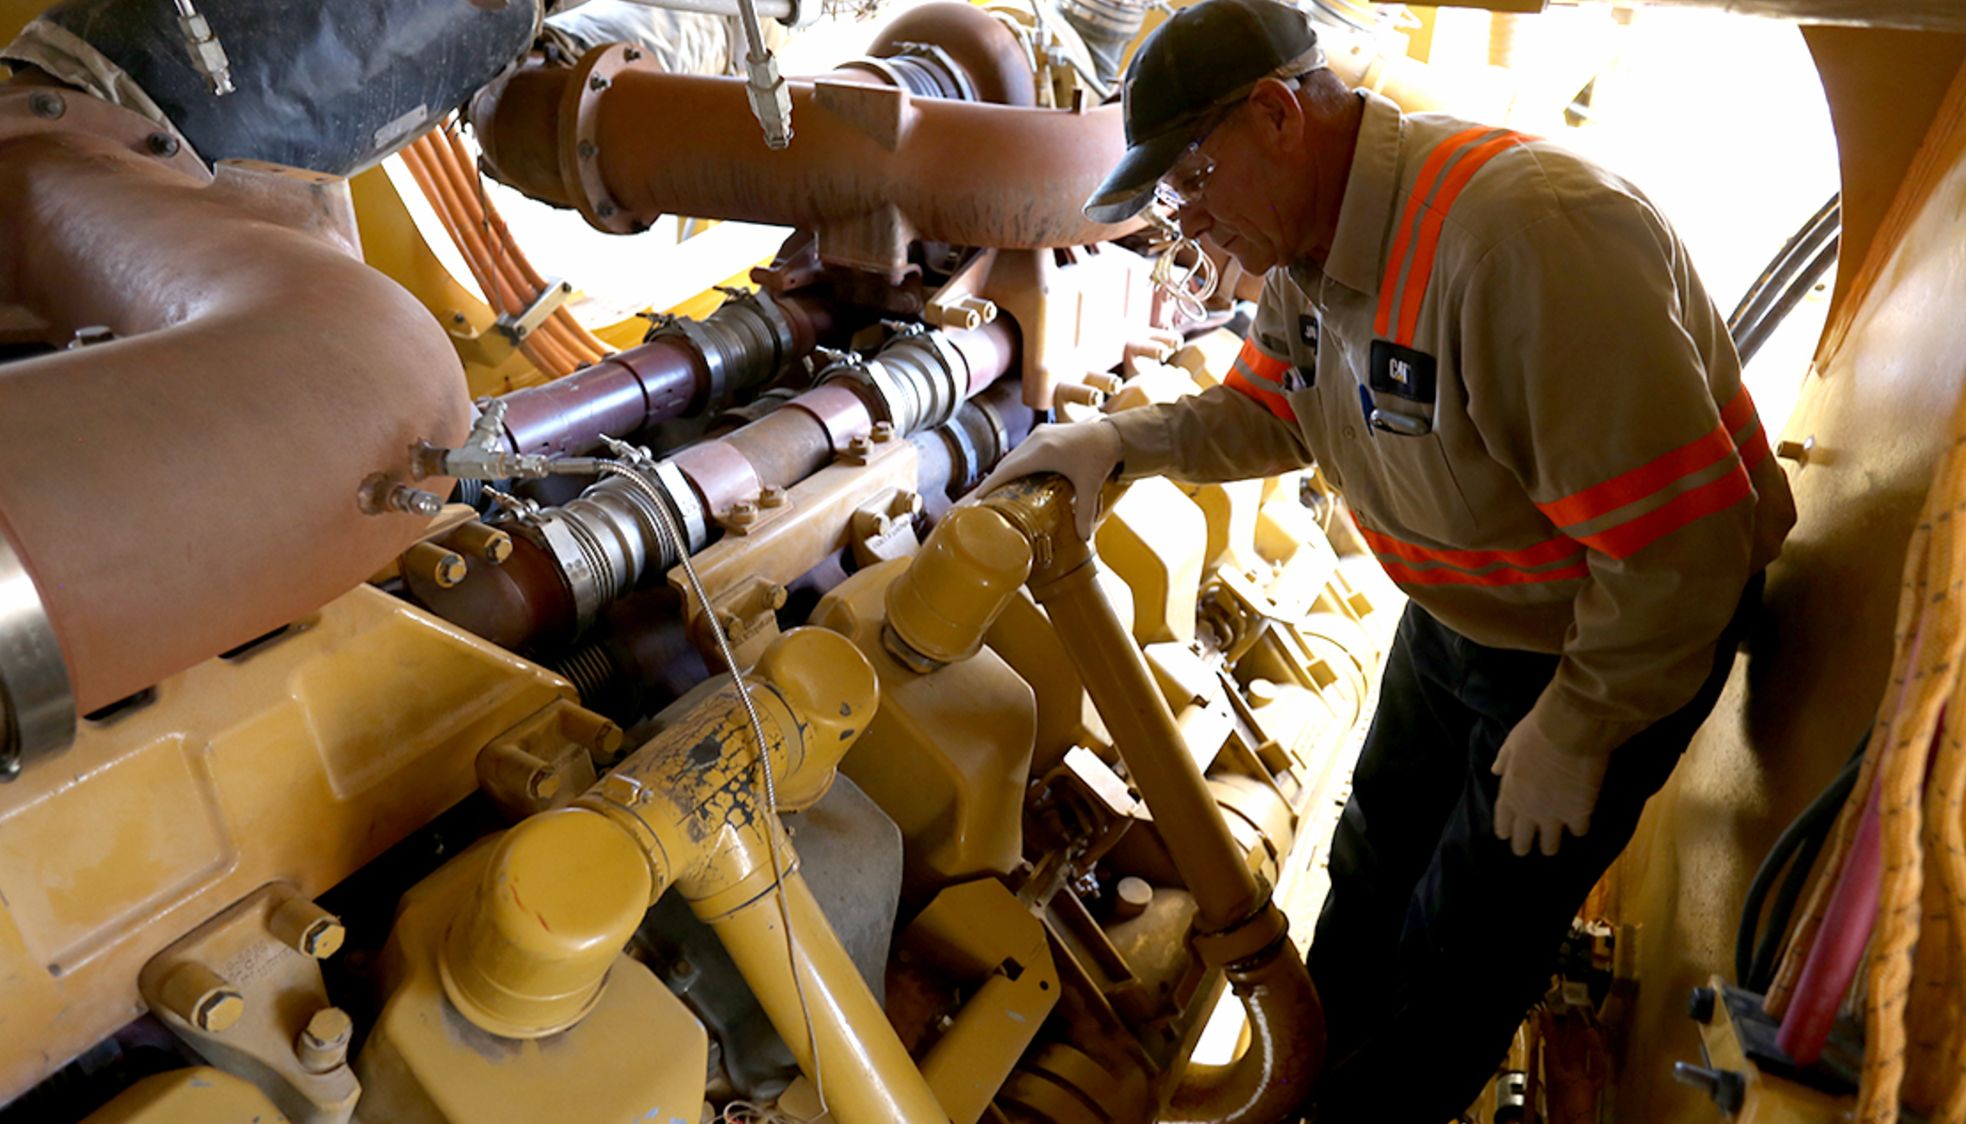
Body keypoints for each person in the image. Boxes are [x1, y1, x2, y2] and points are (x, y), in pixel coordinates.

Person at [978, 0, 1798, 1118]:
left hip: (1596, 646)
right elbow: (1271, 413)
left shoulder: (1522, 239)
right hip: (1459, 618)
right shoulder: (1308, 250)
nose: (1189, 219)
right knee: (1364, 881)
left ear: (1275, 115)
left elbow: (1683, 545)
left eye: (1193, 181)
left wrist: (1580, 724)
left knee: (1453, 953)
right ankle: (1309, 1090)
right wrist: (1123, 442)